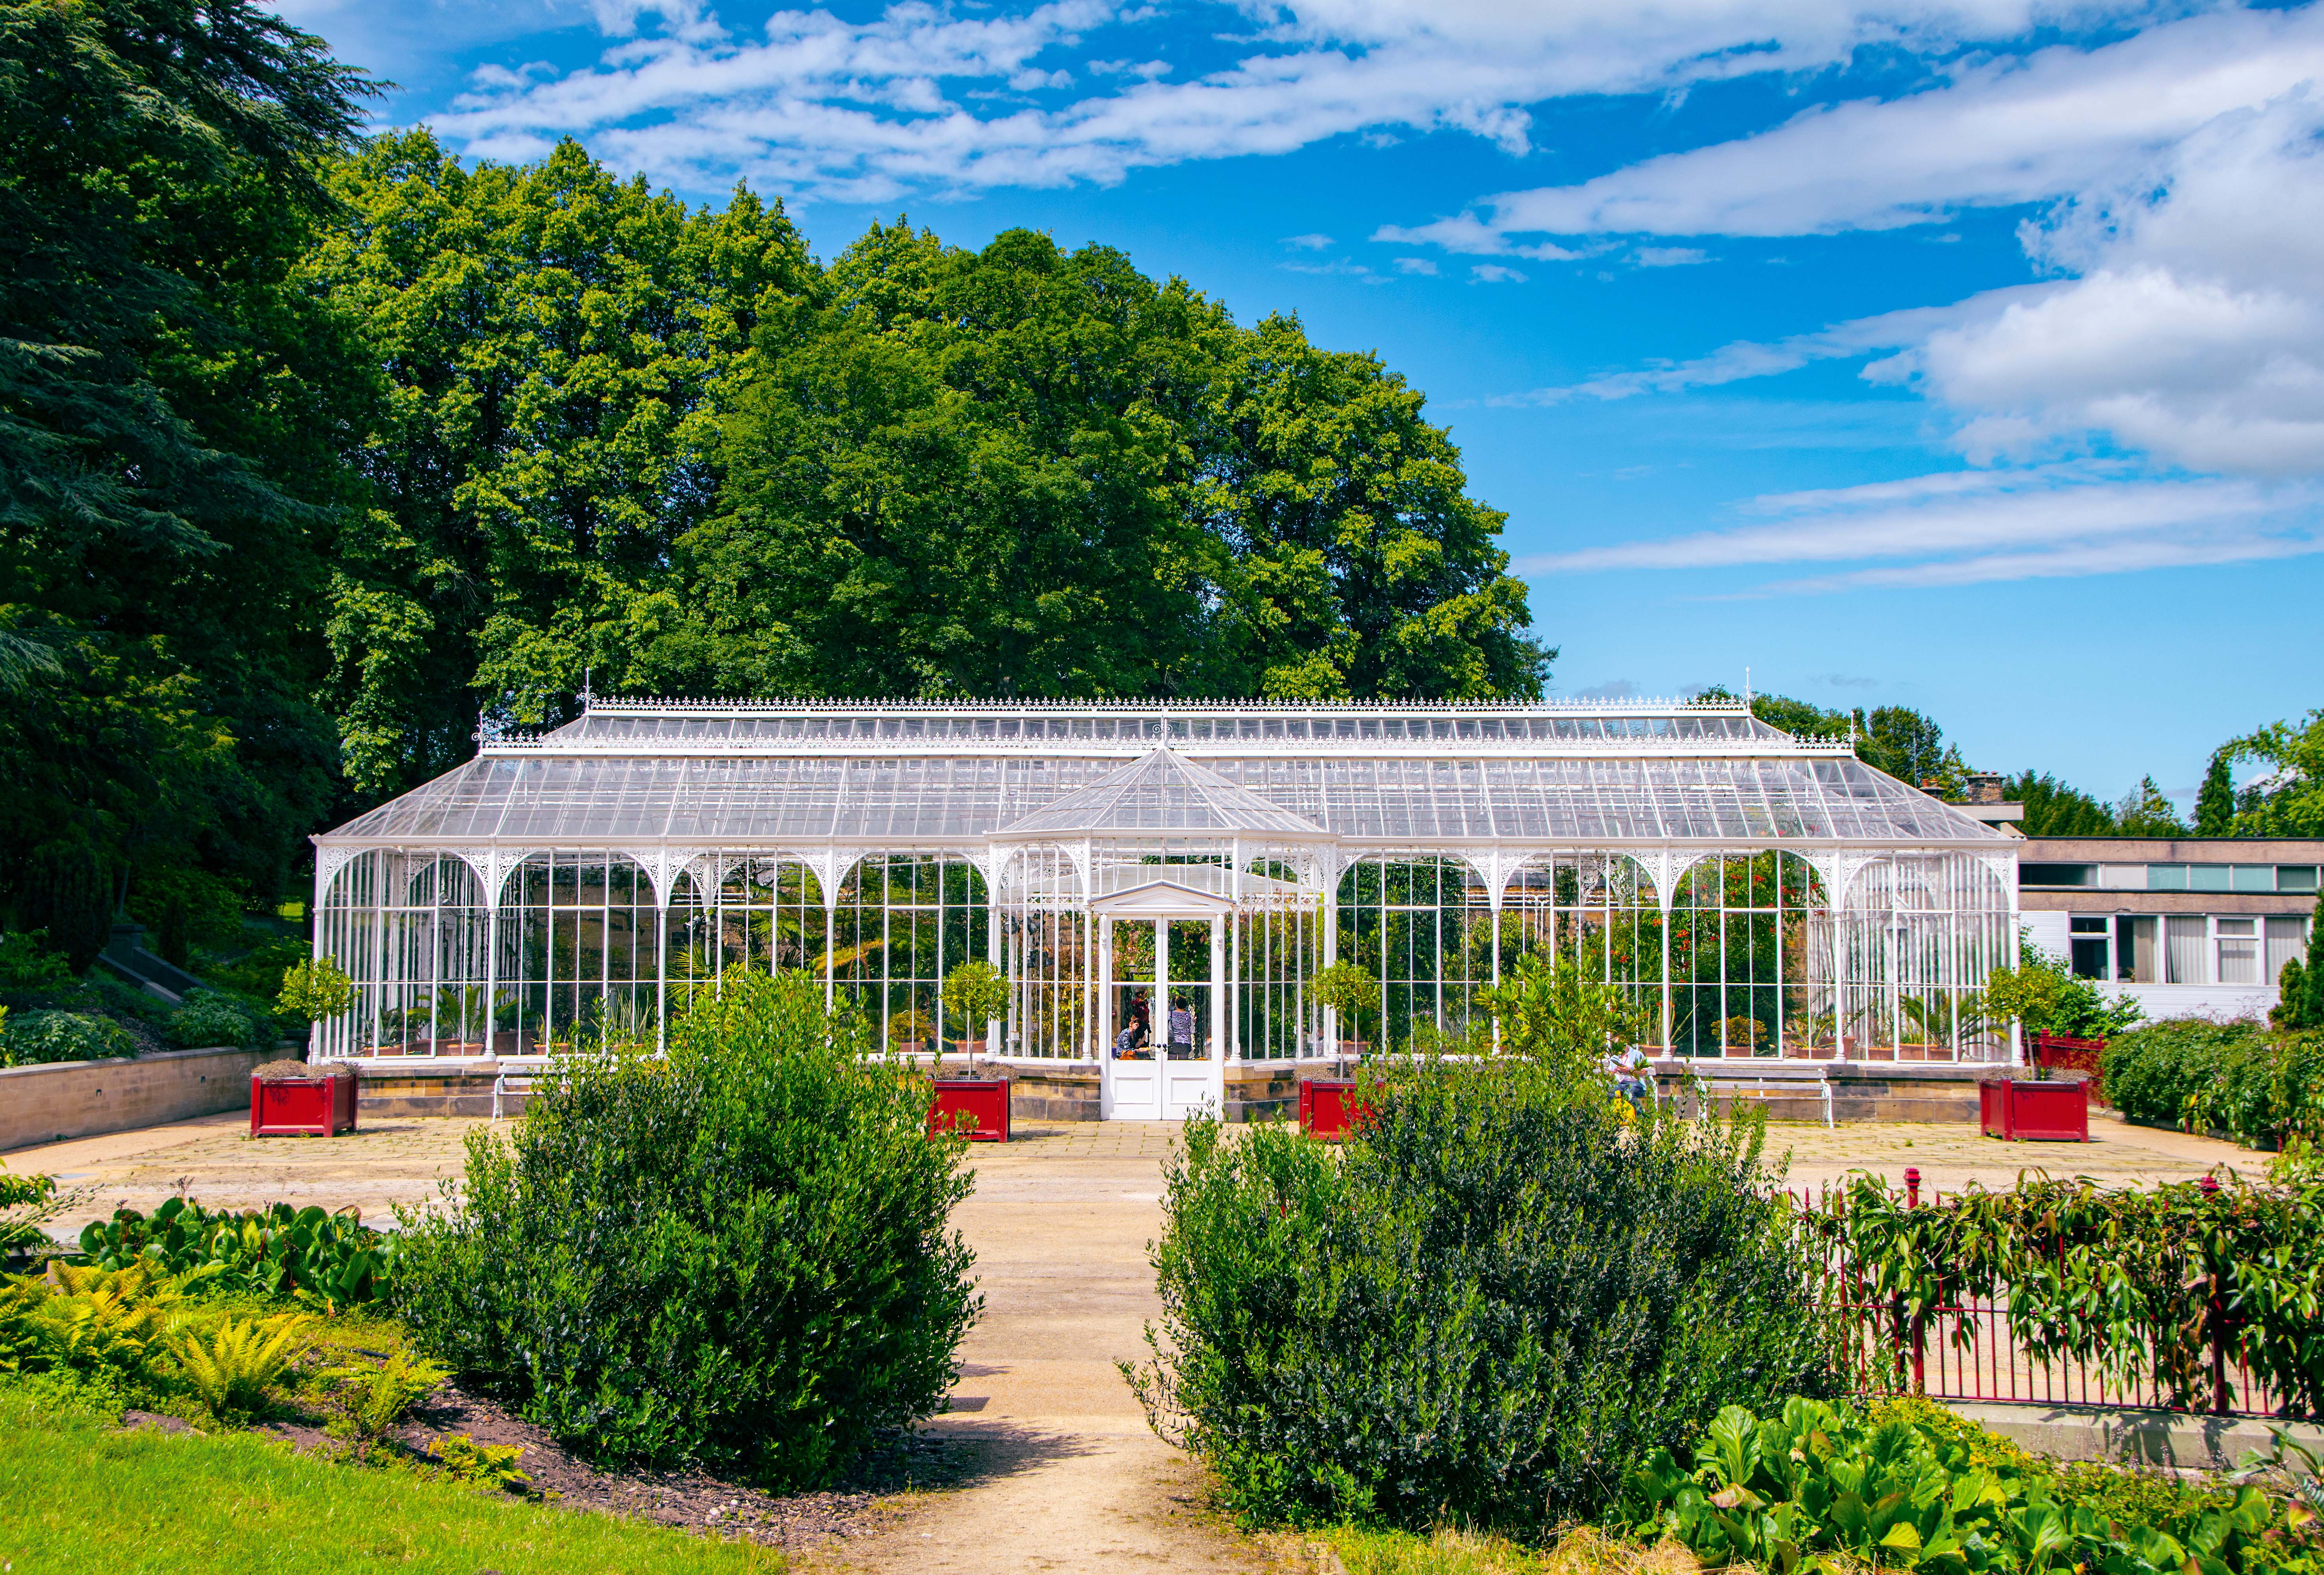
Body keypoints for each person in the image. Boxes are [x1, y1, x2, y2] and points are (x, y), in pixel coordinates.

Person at [1604, 1040, 1654, 1113]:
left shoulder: (1637, 1054)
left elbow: (1644, 1072)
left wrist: (1629, 1071)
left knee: (1630, 1095)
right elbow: (1609, 1077)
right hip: (1621, 1084)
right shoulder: (1615, 1057)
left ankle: (1640, 1118)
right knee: (1610, 1095)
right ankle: (1608, 1119)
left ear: (1625, 1043)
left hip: (1636, 1082)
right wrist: (1613, 1072)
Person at [1167, 994, 1195, 1060]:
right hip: (1185, 1044)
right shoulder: (1189, 1016)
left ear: (1176, 1005)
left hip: (1173, 1043)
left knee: (1171, 1064)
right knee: (1183, 1064)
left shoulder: (1170, 1014)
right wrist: (1193, 1022)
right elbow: (1192, 1031)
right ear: (1185, 1005)